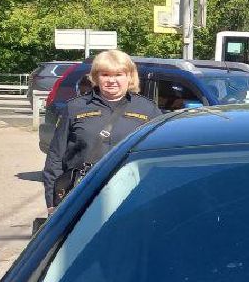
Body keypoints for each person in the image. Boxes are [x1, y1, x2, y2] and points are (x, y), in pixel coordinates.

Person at [42, 50, 161, 210]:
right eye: (105, 74)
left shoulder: (148, 109)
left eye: (119, 74)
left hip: (132, 193)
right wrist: (53, 203)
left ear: (129, 77)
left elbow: (159, 156)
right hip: (83, 193)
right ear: (96, 77)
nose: (112, 80)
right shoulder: (75, 107)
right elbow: (55, 158)